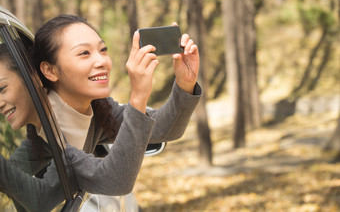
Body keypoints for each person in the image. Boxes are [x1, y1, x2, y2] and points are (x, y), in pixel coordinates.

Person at [7, 14, 201, 210]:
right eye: (84, 53)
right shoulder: (53, 131)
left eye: (102, 50)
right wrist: (138, 97)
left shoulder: (96, 108)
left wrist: (185, 83)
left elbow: (167, 129)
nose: (101, 61)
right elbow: (117, 180)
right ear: (50, 70)